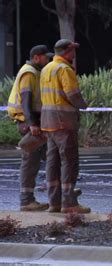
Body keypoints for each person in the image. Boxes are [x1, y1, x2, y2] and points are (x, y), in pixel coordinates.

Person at [40, 39, 90, 213]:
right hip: (63, 122)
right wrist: (83, 105)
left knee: (52, 162)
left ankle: (54, 202)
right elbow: (73, 94)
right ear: (67, 52)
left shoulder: (46, 69)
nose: (74, 53)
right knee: (69, 161)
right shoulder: (64, 69)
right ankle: (69, 203)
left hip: (48, 122)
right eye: (72, 50)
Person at [7, 45, 53, 211]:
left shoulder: (34, 72)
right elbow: (26, 101)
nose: (47, 60)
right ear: (36, 57)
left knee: (45, 158)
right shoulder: (29, 73)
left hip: (33, 122)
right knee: (31, 162)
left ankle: (55, 195)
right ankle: (26, 200)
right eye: (45, 57)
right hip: (29, 124)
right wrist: (32, 124)